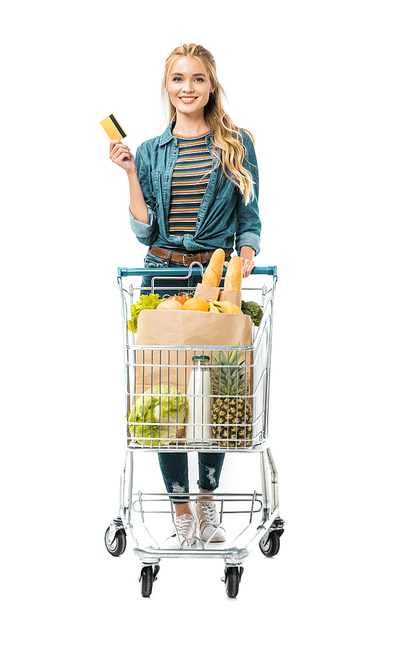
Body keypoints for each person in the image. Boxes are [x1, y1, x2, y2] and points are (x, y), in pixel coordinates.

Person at [109, 43, 261, 547]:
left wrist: (247, 251)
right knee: (165, 397)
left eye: (197, 79)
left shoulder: (236, 144)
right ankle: (179, 510)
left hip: (216, 283)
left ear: (211, 86)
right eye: (178, 79)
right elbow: (143, 228)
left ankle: (207, 504)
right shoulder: (151, 151)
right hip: (160, 277)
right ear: (167, 86)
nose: (187, 88)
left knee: (216, 393)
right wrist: (130, 172)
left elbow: (249, 218)